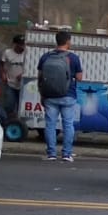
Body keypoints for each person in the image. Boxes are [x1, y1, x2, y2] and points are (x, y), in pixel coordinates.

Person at [36, 29, 82, 163]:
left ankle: (51, 153)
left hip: (49, 95)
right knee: (68, 124)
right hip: (68, 95)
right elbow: (79, 77)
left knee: (50, 124)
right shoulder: (73, 57)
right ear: (68, 41)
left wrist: (42, 94)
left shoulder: (46, 57)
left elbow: (40, 77)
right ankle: (67, 154)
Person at [0, 32, 25, 127]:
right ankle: (6, 123)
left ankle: (20, 123)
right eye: (20, 44)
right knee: (9, 104)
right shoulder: (7, 53)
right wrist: (3, 74)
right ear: (15, 44)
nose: (22, 46)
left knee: (21, 106)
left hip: (23, 85)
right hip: (10, 83)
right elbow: (1, 64)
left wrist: (23, 74)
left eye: (23, 44)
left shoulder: (27, 53)